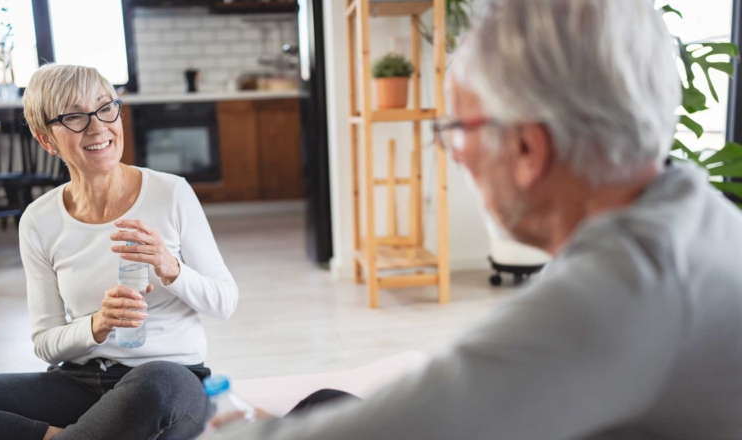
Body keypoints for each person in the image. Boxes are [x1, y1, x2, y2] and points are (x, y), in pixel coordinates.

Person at [211, 0, 742, 439]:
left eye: (458, 128)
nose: (455, 153)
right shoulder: (690, 213)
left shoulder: (626, 285)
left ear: (528, 147)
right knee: (330, 399)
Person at [0, 65, 239, 440]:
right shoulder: (39, 219)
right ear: (46, 139)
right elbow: (46, 343)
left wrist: (172, 268)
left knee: (157, 382)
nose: (98, 128)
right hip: (79, 383)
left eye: (105, 108)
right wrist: (97, 324)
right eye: (74, 116)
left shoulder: (171, 193)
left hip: (169, 384)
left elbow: (225, 303)